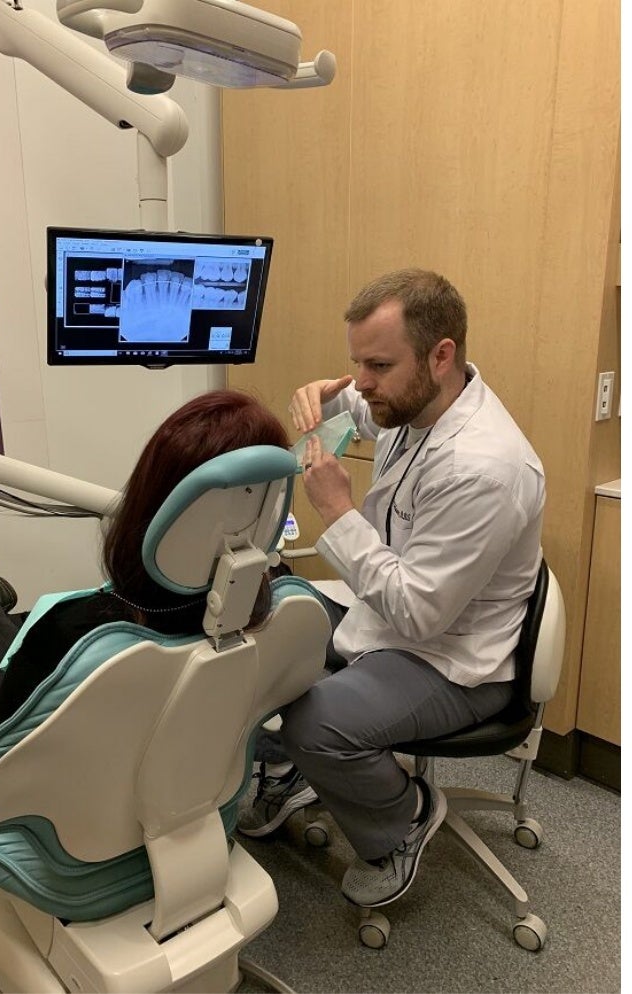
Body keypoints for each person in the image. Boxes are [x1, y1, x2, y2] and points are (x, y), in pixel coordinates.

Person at [238, 268, 545, 910]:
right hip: (394, 611)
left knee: (315, 721)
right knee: (261, 617)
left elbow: (417, 614)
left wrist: (337, 512)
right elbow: (361, 409)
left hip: (452, 658)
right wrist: (321, 398)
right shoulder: (419, 403)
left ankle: (401, 821)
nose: (363, 382)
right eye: (358, 363)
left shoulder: (484, 468)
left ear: (441, 356)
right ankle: (289, 771)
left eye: (377, 365)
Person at [0, 389, 290, 747]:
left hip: (56, 782)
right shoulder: (281, 608)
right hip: (190, 778)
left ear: (147, 499)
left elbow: (3, 741)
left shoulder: (72, 634)